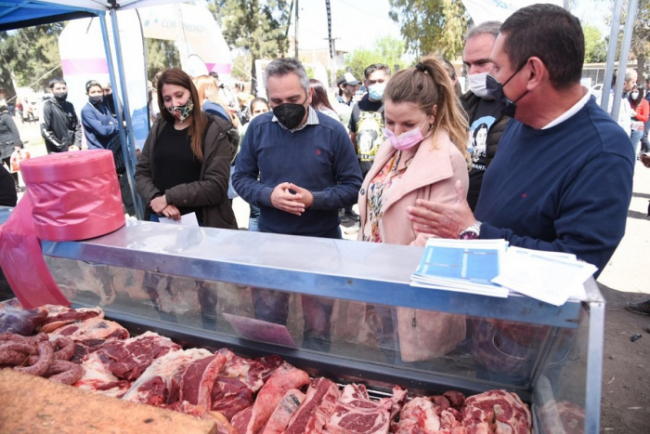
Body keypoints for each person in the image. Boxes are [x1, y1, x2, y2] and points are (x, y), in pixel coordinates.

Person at [408, 4, 633, 277]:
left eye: (497, 68)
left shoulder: (603, 152)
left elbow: (577, 266)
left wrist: (473, 232)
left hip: (531, 314)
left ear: (533, 73)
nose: (490, 78)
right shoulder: (521, 117)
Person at [232, 58, 362, 351]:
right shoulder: (258, 129)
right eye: (276, 101)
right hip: (271, 242)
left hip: (321, 243)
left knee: (318, 327)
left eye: (293, 99)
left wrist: (313, 199)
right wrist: (269, 196)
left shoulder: (333, 132)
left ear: (309, 95)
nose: (285, 106)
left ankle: (315, 382)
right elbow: (240, 178)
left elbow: (353, 187)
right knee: (268, 323)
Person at [357, 56, 471, 363]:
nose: (396, 130)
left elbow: (437, 236)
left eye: (408, 124)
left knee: (414, 378)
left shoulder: (446, 160)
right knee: (383, 363)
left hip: (413, 292)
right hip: (379, 281)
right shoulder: (390, 149)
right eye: (389, 122)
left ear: (432, 114)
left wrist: (388, 268)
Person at [135, 68, 237, 229]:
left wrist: (169, 197)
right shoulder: (160, 126)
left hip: (204, 224)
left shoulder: (214, 129)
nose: (174, 104)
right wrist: (156, 199)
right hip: (160, 220)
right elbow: (142, 172)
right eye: (167, 99)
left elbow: (216, 186)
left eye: (179, 95)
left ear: (192, 92)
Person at [461, 21, 511, 211]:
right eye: (468, 65)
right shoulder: (460, 108)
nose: (473, 72)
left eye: (482, 63)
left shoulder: (523, 112)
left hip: (496, 224)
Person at [349, 63, 391, 180]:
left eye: (380, 81)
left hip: (388, 175)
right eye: (372, 82)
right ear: (365, 82)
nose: (376, 85)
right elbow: (352, 140)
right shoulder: (357, 108)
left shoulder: (394, 106)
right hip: (364, 176)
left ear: (388, 80)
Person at [239, 97, 270, 232]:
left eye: (264, 110)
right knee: (256, 214)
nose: (261, 113)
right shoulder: (247, 130)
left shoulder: (274, 128)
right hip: (255, 183)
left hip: (268, 183)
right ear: (251, 114)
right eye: (257, 111)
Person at [40, 77, 82, 154]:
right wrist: (63, 147)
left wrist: (77, 145)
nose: (62, 91)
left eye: (64, 88)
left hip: (73, 149)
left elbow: (77, 127)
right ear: (51, 90)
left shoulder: (70, 106)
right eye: (58, 89)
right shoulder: (48, 106)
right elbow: (45, 131)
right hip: (56, 152)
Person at [81, 80, 120, 151]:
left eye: (99, 91)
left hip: (110, 148)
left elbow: (114, 121)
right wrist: (117, 126)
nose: (97, 94)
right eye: (93, 92)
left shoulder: (103, 108)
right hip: (98, 151)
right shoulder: (87, 110)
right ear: (87, 94)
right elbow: (103, 131)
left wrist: (111, 126)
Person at [0, 94, 22, 191]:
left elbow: (14, 130)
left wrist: (17, 144)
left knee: (12, 167)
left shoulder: (5, 117)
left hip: (9, 145)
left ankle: (16, 185)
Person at [629, 86, 649, 156]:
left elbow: (645, 118)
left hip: (637, 129)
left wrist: (635, 114)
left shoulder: (644, 102)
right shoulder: (630, 101)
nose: (634, 93)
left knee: (632, 150)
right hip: (628, 126)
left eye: (636, 92)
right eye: (633, 92)